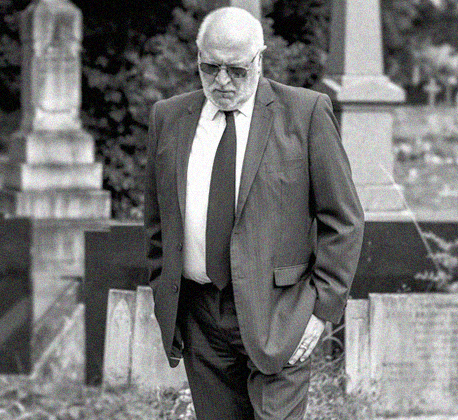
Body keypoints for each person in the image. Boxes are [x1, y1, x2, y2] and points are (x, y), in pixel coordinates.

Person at [143, 6, 365, 420]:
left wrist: (321, 313)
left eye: (236, 69)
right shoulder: (169, 118)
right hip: (200, 315)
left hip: (280, 314)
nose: (222, 81)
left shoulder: (306, 113)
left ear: (259, 59)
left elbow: (344, 219)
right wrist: (164, 290)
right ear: (196, 58)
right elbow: (156, 219)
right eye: (210, 68)